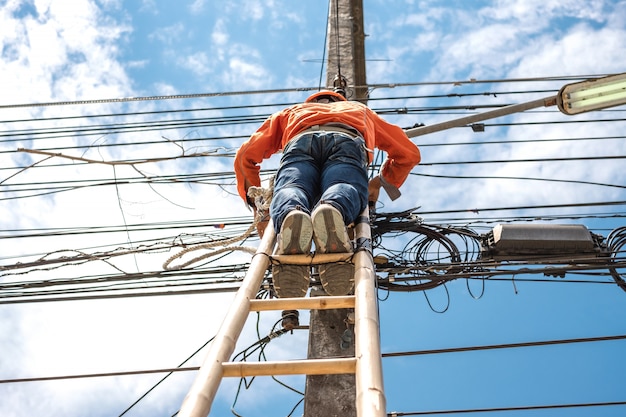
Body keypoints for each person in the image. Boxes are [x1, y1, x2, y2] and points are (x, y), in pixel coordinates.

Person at [234, 90, 420, 297]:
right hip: (347, 140)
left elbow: (245, 155)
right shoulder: (360, 110)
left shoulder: (292, 112)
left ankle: (290, 214)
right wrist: (381, 181)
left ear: (311, 101)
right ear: (340, 101)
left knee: (293, 188)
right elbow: (408, 152)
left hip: (299, 142)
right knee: (342, 183)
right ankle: (332, 208)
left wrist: (257, 202)